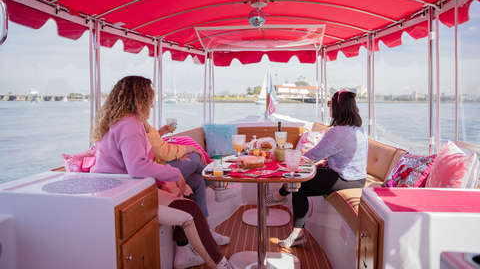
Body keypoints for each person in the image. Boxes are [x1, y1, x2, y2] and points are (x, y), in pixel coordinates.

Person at [90, 76, 238, 269]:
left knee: (191, 198)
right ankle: (220, 264)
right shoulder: (130, 124)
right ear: (141, 97)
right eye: (150, 97)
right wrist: (174, 174)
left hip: (122, 190)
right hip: (125, 198)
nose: (151, 103)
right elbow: (137, 166)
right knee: (191, 211)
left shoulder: (116, 121)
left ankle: (191, 254)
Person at [266, 89, 368, 248]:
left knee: (298, 176)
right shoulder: (357, 129)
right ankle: (297, 234)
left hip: (347, 179)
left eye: (330, 104)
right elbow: (347, 158)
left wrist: (282, 158)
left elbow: (310, 156)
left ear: (337, 108)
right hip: (356, 178)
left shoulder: (337, 132)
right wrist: (326, 164)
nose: (329, 108)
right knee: (299, 188)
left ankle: (279, 195)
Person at [144, 122, 242, 245]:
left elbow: (150, 143)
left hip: (157, 165)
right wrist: (190, 149)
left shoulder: (140, 124)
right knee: (195, 158)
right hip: (153, 174)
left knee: (198, 180)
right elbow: (163, 151)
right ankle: (219, 188)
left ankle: (204, 232)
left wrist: (160, 133)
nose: (151, 105)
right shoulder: (134, 124)